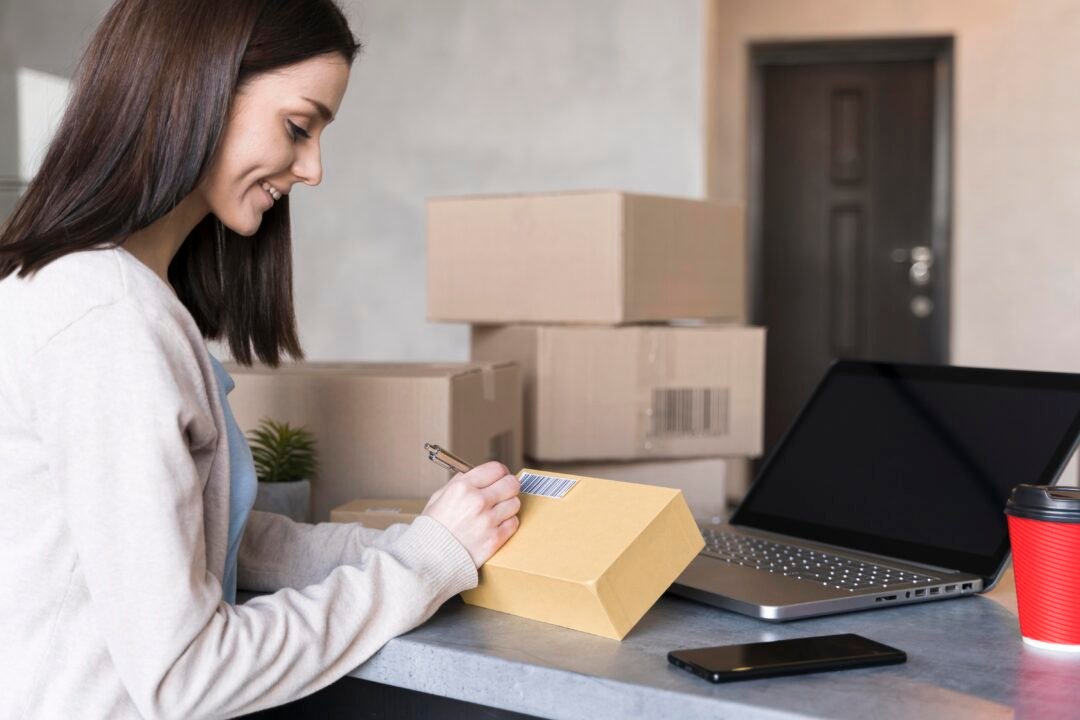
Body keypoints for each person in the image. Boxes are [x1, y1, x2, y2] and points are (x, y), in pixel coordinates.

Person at [0, 1, 521, 717]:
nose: (312, 169)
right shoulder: (106, 322)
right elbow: (189, 676)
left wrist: (427, 540)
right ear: (199, 86)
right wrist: (423, 563)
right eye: (298, 127)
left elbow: (215, 542)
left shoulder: (105, 294)